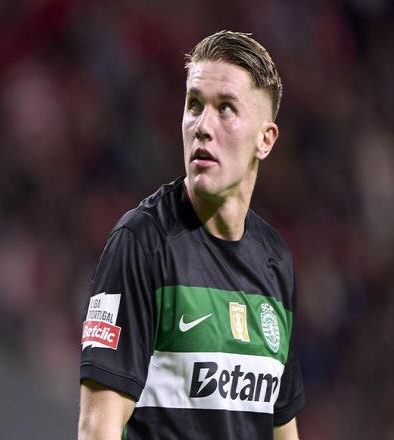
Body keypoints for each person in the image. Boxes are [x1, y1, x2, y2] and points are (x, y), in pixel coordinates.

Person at [78, 30, 305, 440]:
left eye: (225, 108)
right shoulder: (142, 243)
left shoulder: (275, 260)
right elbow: (98, 429)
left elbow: (281, 428)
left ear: (265, 139)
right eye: (194, 105)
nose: (202, 126)